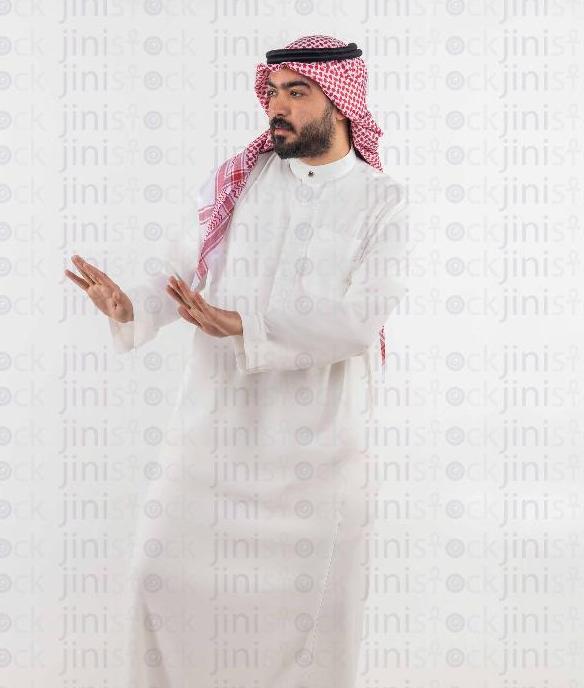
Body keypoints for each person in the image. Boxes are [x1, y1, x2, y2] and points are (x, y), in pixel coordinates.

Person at [65, 34, 415, 688]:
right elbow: (179, 274)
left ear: (340, 103)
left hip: (315, 463)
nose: (276, 107)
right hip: (212, 445)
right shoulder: (240, 181)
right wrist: (130, 308)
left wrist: (246, 326)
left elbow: (359, 322)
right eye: (272, 92)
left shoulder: (382, 203)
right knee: (158, 581)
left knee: (312, 633)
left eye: (296, 93)